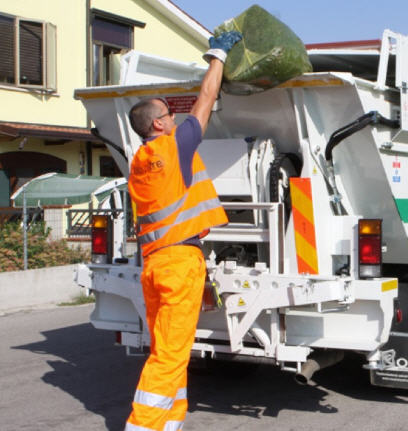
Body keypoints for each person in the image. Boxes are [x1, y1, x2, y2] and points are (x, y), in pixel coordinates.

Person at [124, 31, 242, 431]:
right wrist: (218, 56)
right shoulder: (173, 147)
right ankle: (143, 427)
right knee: (169, 355)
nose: (176, 118)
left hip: (155, 266)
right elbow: (205, 101)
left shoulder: (140, 160)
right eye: (168, 115)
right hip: (178, 264)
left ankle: (169, 421)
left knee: (169, 349)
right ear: (158, 123)